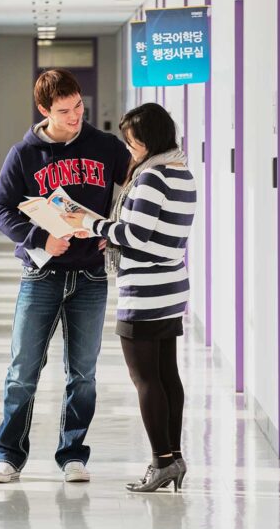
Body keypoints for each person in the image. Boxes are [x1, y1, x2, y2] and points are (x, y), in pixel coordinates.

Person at [0, 68, 131, 484]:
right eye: (64, 110)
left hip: (90, 275)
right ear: (44, 110)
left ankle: (73, 454)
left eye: (79, 106)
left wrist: (115, 232)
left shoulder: (106, 147)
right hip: (40, 274)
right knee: (22, 370)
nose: (75, 117)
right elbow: (0, 209)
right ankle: (8, 456)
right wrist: (38, 238)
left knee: (82, 373)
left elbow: (136, 185)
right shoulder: (24, 154)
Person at [63, 103, 196, 493]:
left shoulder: (152, 177)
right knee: (167, 375)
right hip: (171, 284)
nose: (130, 148)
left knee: (145, 379)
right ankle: (173, 456)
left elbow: (136, 236)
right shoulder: (182, 171)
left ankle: (161, 463)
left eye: (133, 141)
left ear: (148, 140)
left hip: (146, 290)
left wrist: (88, 223)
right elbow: (153, 231)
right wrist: (112, 230)